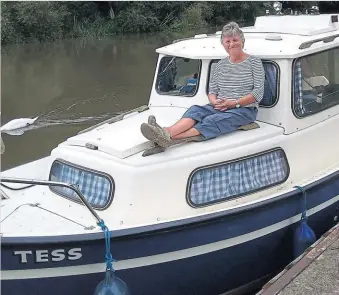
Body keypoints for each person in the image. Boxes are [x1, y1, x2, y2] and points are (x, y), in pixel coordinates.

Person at [141, 21, 265, 149]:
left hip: (244, 110)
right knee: (195, 110)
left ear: (242, 41)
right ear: (223, 44)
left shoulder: (254, 62)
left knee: (212, 120)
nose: (232, 44)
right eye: (228, 41)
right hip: (220, 106)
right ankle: (166, 132)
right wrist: (214, 101)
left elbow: (258, 93)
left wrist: (234, 103)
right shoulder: (220, 65)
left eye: (235, 40)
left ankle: (168, 138)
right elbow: (212, 90)